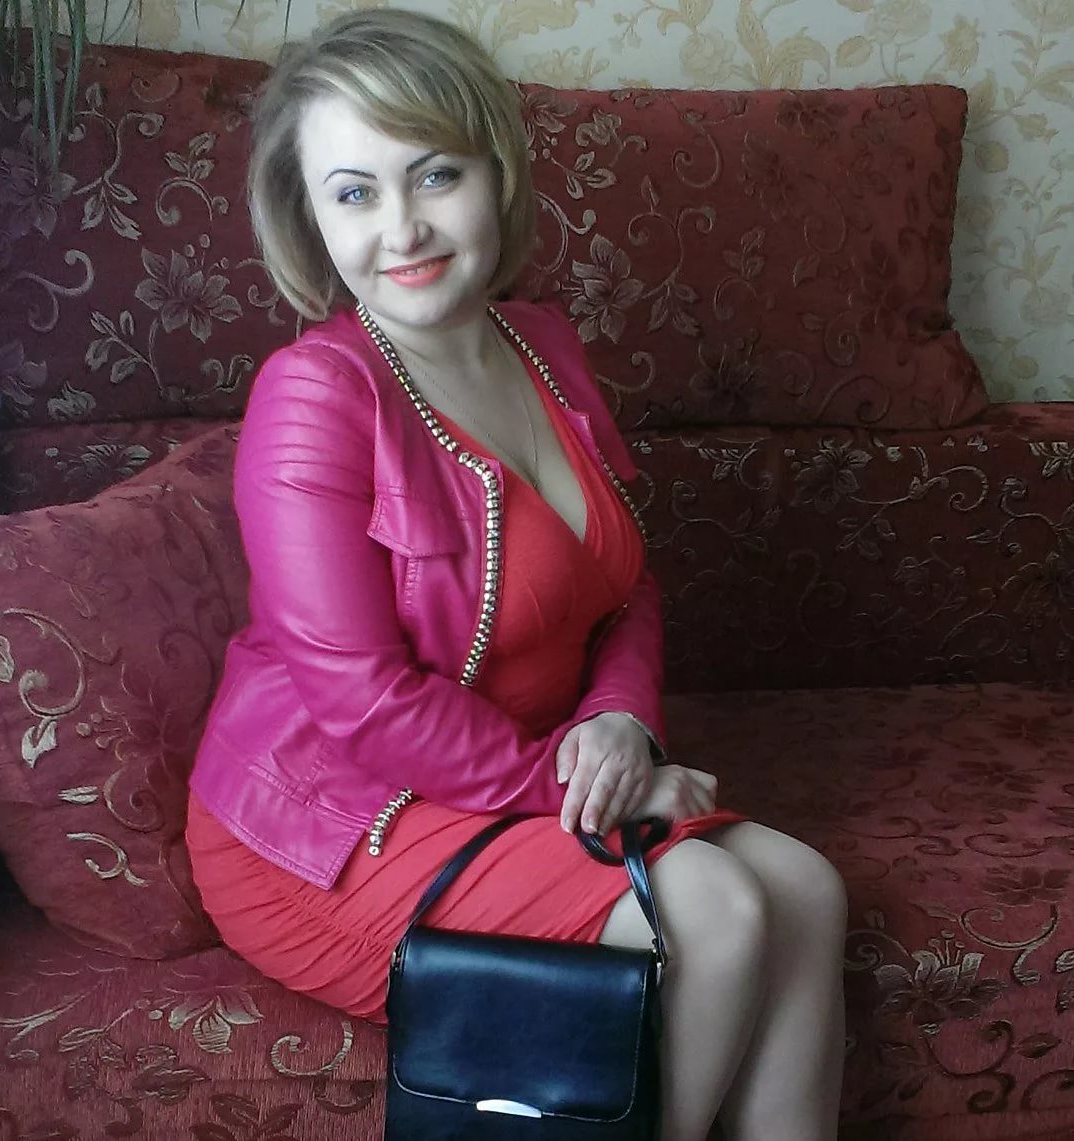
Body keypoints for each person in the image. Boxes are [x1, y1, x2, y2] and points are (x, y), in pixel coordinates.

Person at [185, 9, 847, 1140]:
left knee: (807, 891)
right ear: (310, 218)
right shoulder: (314, 396)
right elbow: (361, 701)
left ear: (497, 171)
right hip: (330, 823)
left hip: (504, 778)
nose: (402, 227)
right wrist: (582, 788)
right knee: (714, 910)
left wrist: (622, 723)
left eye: (435, 174)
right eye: (354, 193)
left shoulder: (543, 342)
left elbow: (622, 583)